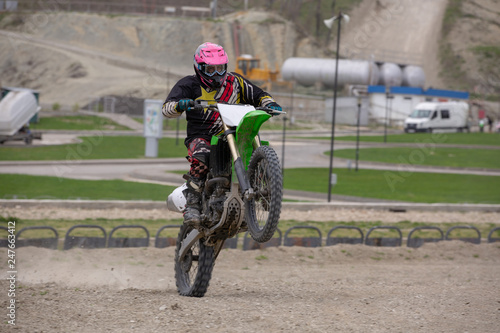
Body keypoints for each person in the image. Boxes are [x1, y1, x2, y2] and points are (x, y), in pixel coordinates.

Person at [162, 42, 282, 227]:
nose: (216, 74)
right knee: (202, 156)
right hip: (202, 136)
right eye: (210, 69)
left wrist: (269, 103)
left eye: (220, 68)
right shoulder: (188, 84)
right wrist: (180, 104)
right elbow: (166, 109)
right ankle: (192, 205)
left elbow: (259, 94)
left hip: (234, 132)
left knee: (256, 148)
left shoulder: (236, 82)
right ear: (199, 68)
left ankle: (264, 194)